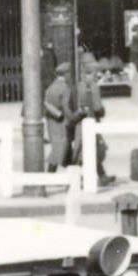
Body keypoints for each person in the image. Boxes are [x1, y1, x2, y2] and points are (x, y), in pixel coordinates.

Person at [74, 52, 110, 183]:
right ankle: (78, 178)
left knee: (83, 149)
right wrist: (102, 112)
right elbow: (97, 108)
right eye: (95, 72)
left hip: (80, 122)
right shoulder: (93, 86)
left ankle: (102, 175)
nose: (97, 74)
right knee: (94, 149)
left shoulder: (78, 85)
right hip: (92, 121)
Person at [43, 61, 76, 172]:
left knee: (64, 148)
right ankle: (51, 175)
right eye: (69, 73)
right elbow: (66, 107)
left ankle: (76, 175)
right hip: (62, 122)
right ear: (66, 74)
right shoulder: (65, 88)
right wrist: (73, 118)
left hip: (51, 121)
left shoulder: (51, 87)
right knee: (60, 149)